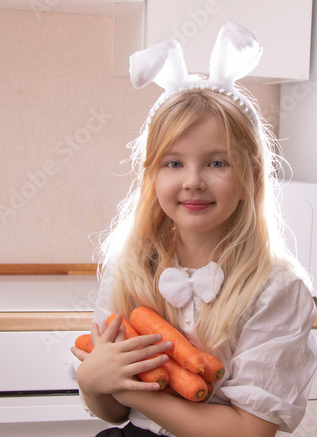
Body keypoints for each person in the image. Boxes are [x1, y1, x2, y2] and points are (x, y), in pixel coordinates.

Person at [71, 21, 317, 437]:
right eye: (174, 163)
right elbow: (111, 410)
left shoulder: (277, 289)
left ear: (251, 176)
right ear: (151, 177)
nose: (193, 181)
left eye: (217, 163)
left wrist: (135, 393)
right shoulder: (128, 269)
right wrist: (92, 385)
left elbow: (248, 432)